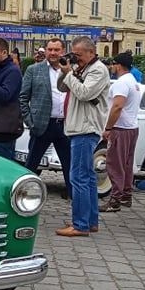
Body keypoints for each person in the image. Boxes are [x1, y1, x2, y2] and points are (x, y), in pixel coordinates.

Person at [55, 36, 111, 237]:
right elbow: (62, 87)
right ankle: (90, 221)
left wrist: (70, 73)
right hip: (80, 127)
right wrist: (67, 71)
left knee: (77, 177)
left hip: (85, 129)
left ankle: (80, 225)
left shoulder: (98, 70)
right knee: (87, 177)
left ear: (91, 52)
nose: (75, 58)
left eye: (78, 55)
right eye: (74, 54)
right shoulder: (83, 68)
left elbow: (85, 93)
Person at [19, 38, 72, 198]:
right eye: (50, 49)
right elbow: (22, 98)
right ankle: (23, 193)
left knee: (69, 164)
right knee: (31, 164)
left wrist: (68, 72)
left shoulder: (71, 70)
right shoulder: (34, 70)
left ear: (62, 51)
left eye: (56, 50)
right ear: (46, 51)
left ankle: (72, 194)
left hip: (65, 124)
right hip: (42, 124)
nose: (53, 53)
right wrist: (30, 121)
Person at [100, 52, 142, 212]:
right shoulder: (133, 81)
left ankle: (115, 199)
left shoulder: (121, 83)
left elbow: (117, 106)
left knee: (115, 164)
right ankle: (126, 194)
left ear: (118, 65)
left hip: (121, 128)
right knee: (126, 164)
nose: (111, 67)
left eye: (113, 64)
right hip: (132, 127)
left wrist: (108, 128)